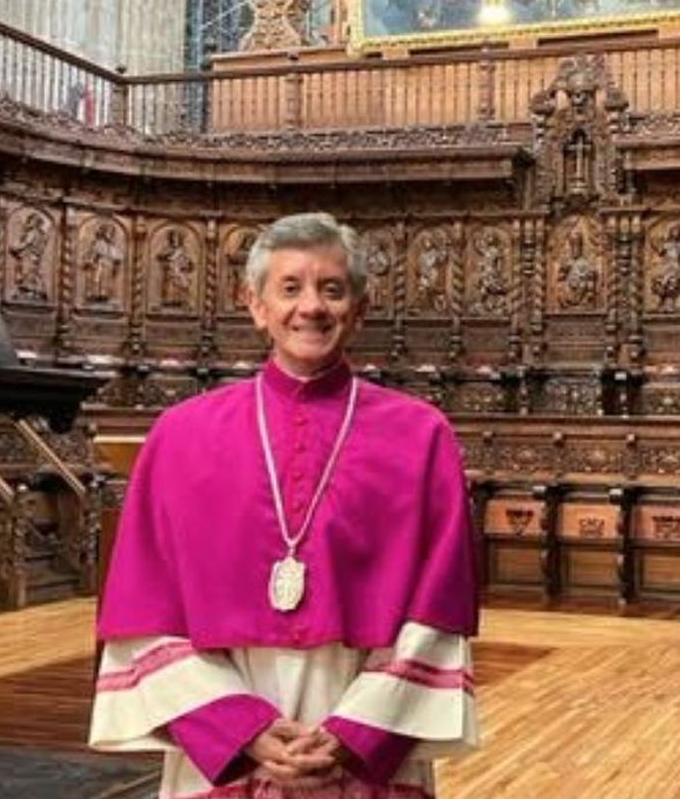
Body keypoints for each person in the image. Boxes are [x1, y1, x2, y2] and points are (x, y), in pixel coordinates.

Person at [90, 212, 479, 799]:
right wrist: (239, 729)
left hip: (364, 728)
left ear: (360, 308)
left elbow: (439, 601)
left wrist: (353, 732)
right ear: (256, 305)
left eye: (332, 289)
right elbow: (144, 602)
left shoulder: (421, 436)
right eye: (290, 287)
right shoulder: (180, 436)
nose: (312, 307)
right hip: (225, 724)